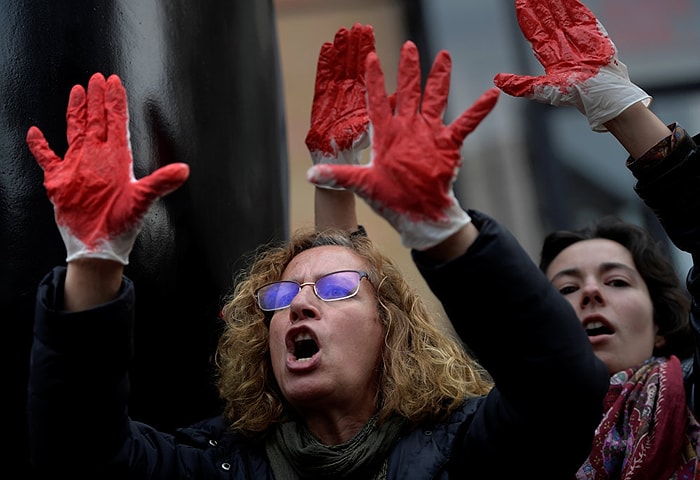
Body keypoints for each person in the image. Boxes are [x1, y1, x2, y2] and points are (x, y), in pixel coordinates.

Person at [26, 29, 609, 480]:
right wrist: (96, 261)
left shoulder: (465, 447)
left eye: (334, 291)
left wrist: (442, 228)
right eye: (281, 297)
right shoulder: (213, 463)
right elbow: (81, 457)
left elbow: (561, 389)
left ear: (393, 330)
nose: (298, 308)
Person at [493, 0, 700, 477]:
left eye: (617, 282)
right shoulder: (488, 439)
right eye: (565, 288)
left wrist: (623, 110)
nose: (589, 292)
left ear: (662, 326)